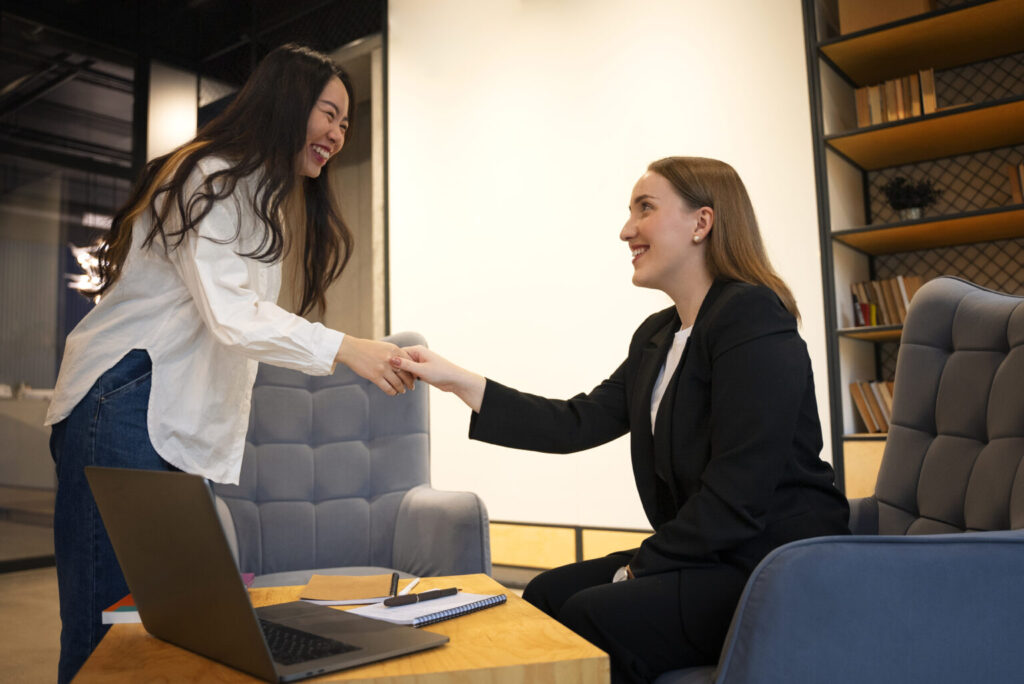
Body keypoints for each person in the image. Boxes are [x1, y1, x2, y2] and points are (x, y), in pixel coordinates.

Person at [390, 156, 851, 683]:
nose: (626, 230)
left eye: (645, 209)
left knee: (592, 613)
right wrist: (460, 381)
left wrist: (638, 569)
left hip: (771, 564)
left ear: (701, 223)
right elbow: (577, 422)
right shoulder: (657, 335)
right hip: (712, 553)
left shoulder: (752, 315)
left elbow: (739, 489)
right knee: (543, 594)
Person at [44, 44, 414, 683]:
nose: (337, 134)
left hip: (165, 414)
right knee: (107, 630)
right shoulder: (208, 176)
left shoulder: (256, 194)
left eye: (346, 123)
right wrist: (348, 348)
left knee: (178, 628)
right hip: (125, 401)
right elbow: (233, 316)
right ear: (286, 102)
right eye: (328, 113)